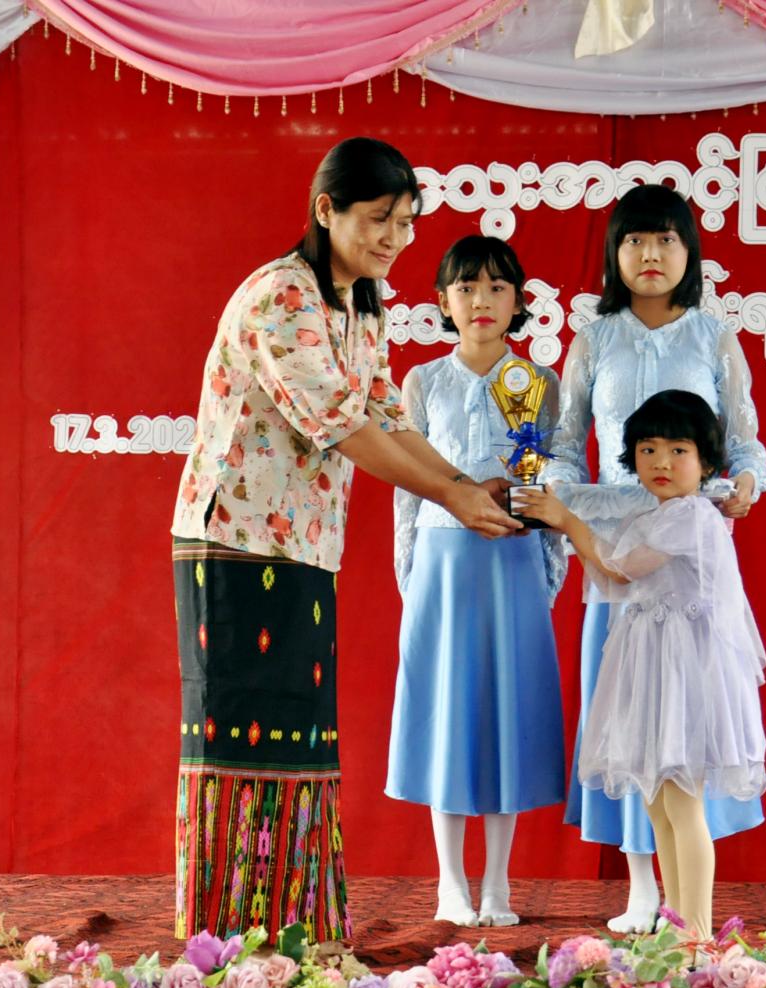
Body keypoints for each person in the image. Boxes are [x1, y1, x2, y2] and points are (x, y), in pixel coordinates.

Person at [169, 138, 518, 944]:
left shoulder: (366, 303)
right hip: (234, 540)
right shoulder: (281, 296)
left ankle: (298, 930)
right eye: (379, 219)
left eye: (407, 221)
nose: (396, 237)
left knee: (302, 740)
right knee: (238, 742)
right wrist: (452, 497)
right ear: (326, 210)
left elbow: (387, 414)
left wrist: (466, 483)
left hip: (307, 543)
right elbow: (343, 426)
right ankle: (224, 940)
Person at [539, 182, 766, 933]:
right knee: (629, 721)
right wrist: (567, 503)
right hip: (613, 541)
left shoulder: (713, 336)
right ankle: (641, 889)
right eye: (634, 239)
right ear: (614, 252)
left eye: (666, 239)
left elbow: (744, 445)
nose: (650, 253)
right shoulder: (593, 339)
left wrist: (744, 484)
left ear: (688, 250)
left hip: (683, 553)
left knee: (681, 724)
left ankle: (686, 914)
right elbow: (562, 448)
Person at [518, 389, 766, 939]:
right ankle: (679, 929)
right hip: (657, 670)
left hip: (683, 677)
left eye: (679, 450)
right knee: (661, 809)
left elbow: (619, 568)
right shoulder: (662, 515)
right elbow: (615, 575)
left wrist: (566, 519)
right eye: (648, 449)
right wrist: (569, 525)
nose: (661, 462)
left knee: (682, 807)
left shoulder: (692, 516)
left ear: (706, 463)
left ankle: (697, 937)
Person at [384, 235, 567, 927]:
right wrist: (411, 574)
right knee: (449, 717)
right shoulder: (422, 382)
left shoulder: (541, 384)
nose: (481, 301)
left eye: (496, 288)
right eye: (466, 288)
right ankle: (449, 883)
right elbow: (406, 485)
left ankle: (497, 884)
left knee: (504, 718)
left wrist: (546, 570)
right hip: (442, 563)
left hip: (514, 563)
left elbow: (551, 483)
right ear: (443, 301)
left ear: (518, 301)